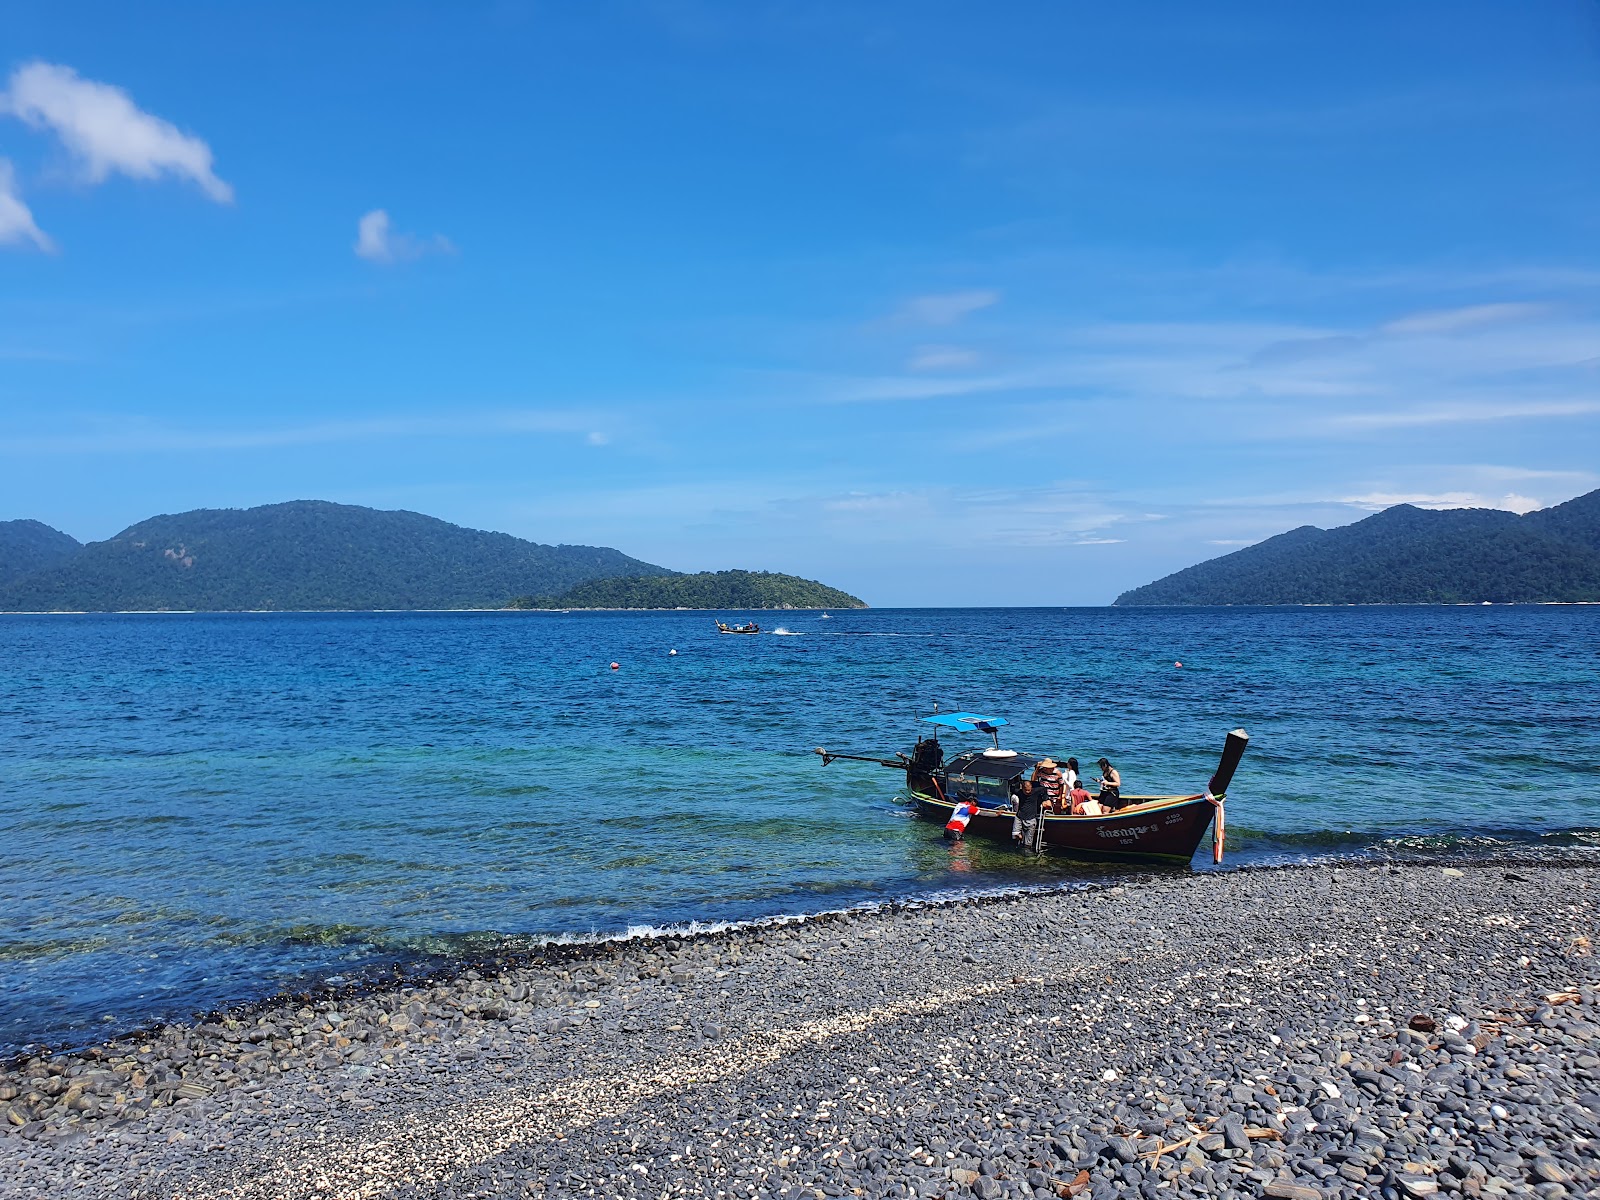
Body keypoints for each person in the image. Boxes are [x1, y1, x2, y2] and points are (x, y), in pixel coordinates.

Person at [1010, 778, 1044, 852]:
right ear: (1022, 788)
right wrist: (1019, 782)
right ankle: (1020, 839)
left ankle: (1026, 853)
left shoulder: (1036, 791)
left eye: (1029, 790)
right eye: (1026, 790)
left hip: (1031, 818)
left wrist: (1045, 799)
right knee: (1015, 835)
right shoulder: (1019, 792)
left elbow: (1044, 789)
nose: (1028, 792)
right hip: (1020, 816)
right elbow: (1012, 788)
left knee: (1027, 844)